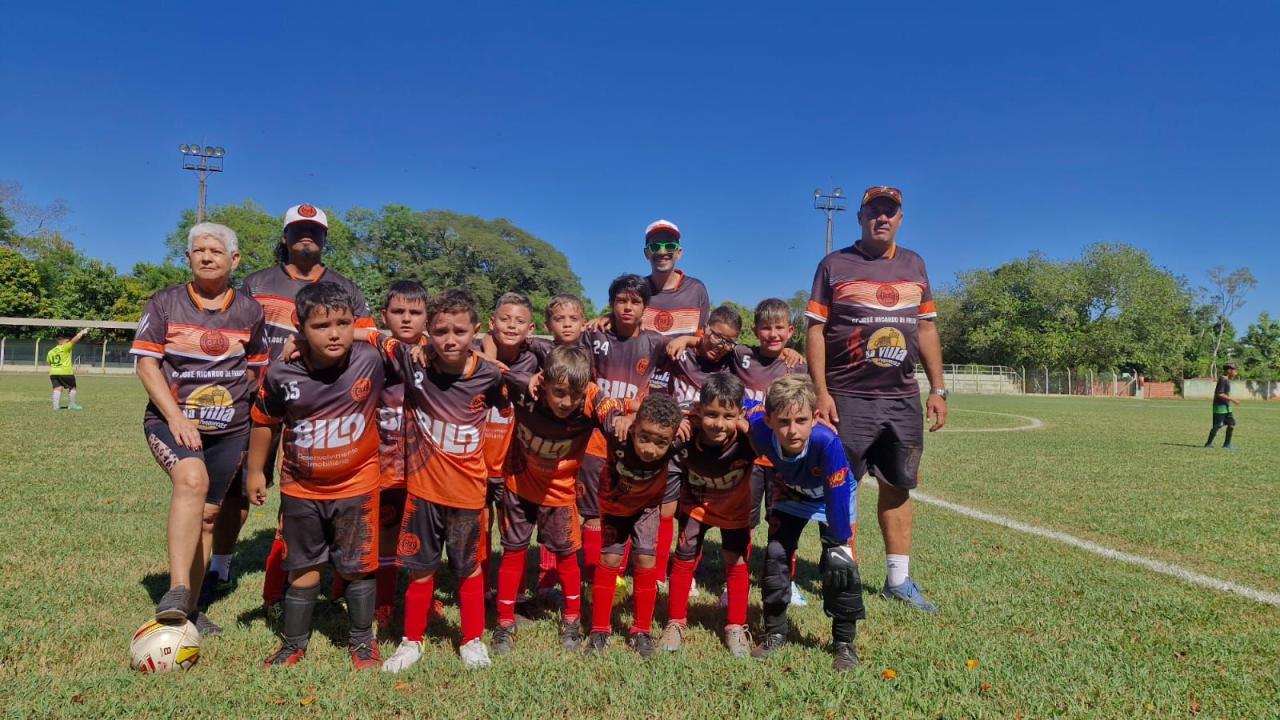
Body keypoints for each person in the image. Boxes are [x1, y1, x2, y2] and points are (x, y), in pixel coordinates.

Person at [806, 185, 946, 614]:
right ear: (860, 218)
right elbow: (815, 331)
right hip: (848, 397)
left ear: (900, 219)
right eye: (873, 211)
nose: (881, 218)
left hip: (902, 398)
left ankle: (898, 581)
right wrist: (822, 392)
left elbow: (925, 330)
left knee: (898, 487)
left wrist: (937, 389)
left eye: (890, 212)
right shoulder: (834, 265)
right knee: (841, 489)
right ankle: (842, 573)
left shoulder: (915, 264)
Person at [236, 203, 376, 617]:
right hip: (267, 396)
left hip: (325, 402)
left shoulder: (345, 286)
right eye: (298, 229)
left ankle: (329, 585)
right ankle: (269, 588)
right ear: (284, 236)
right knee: (264, 489)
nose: (306, 237)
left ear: (325, 238)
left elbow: (365, 334)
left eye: (314, 231)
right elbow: (240, 335)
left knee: (309, 494)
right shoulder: (257, 282)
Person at [130, 222, 268, 636]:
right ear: (188, 258)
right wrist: (175, 416)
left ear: (234, 260)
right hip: (172, 422)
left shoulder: (249, 310)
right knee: (191, 480)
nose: (207, 257)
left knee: (210, 515)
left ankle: (190, 609)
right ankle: (176, 589)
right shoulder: (165, 303)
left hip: (230, 430)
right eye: (200, 250)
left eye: (216, 251)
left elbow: (256, 369)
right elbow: (146, 363)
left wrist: (236, 404)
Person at [246, 282, 386, 669]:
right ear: (299, 326)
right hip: (301, 489)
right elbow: (265, 422)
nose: (336, 333)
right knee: (303, 568)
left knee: (358, 568)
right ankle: (294, 643)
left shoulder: (370, 359)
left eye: (344, 323)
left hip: (358, 485)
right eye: (322, 325)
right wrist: (255, 470)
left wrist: (357, 330)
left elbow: (406, 339)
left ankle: (362, 642)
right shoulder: (281, 372)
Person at [381, 289, 510, 671]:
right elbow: (370, 335)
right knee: (421, 568)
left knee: (468, 567)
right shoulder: (413, 361)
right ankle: (412, 641)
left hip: (469, 493)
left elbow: (523, 396)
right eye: (439, 332)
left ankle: (472, 639)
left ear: (476, 331)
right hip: (423, 491)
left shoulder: (490, 374)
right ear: (428, 332)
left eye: (459, 331)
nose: (449, 340)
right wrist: (298, 340)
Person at [490, 345, 631, 656]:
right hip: (518, 484)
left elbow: (612, 414)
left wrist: (621, 421)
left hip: (561, 492)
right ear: (543, 383)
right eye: (559, 393)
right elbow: (487, 367)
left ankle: (571, 621)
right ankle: (503, 623)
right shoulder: (525, 388)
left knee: (568, 556)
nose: (567, 402)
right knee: (513, 552)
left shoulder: (592, 397)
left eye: (575, 395)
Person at [745, 375, 862, 671]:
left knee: (841, 566)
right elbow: (744, 405)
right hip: (791, 491)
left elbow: (835, 496)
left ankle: (844, 644)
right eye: (784, 421)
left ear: (816, 417)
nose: (793, 431)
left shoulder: (827, 441)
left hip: (833, 495)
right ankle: (774, 632)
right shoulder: (760, 429)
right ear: (770, 420)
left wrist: (838, 542)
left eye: (801, 420)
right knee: (774, 556)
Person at [579, 275, 672, 586]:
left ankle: (622, 572)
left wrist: (692, 338)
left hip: (633, 442)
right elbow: (581, 377)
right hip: (596, 440)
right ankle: (595, 576)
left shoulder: (655, 343)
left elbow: (695, 349)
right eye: (621, 301)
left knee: (630, 506)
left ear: (645, 307)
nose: (627, 307)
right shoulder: (594, 337)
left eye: (635, 302)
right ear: (611, 304)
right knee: (593, 512)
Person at [660, 373, 758, 657]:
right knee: (684, 556)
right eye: (711, 414)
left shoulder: (750, 438)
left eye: (728, 416)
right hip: (696, 507)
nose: (718, 423)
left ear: (740, 414)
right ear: (699, 410)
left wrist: (752, 428)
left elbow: (772, 442)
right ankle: (675, 623)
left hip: (735, 511)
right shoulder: (687, 433)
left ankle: (736, 626)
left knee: (736, 561)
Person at [585, 392, 684, 658]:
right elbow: (594, 394)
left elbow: (707, 414)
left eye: (661, 442)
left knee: (645, 561)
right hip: (615, 507)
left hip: (647, 508)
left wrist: (690, 420)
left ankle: (641, 630)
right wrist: (625, 412)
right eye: (644, 437)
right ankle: (599, 630)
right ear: (635, 427)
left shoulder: (678, 438)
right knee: (610, 557)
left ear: (673, 438)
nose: (650, 449)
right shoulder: (615, 429)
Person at [372, 280, 430, 626]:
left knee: (421, 533)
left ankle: (422, 595)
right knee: (386, 530)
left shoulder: (439, 351)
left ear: (427, 317)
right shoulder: (369, 349)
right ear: (384, 315)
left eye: (415, 312)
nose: (406, 318)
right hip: (383, 462)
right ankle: (382, 600)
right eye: (398, 312)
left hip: (426, 465)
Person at [639, 219, 710, 338]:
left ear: (679, 253)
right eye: (655, 246)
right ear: (646, 253)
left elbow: (703, 339)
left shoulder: (696, 290)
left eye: (670, 246)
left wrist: (685, 341)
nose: (662, 252)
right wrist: (609, 318)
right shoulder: (637, 290)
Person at [47, 327, 90, 410]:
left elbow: (49, 362)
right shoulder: (65, 348)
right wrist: (83, 332)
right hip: (65, 372)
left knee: (57, 388)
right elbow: (75, 340)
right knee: (72, 387)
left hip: (53, 372)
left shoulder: (51, 351)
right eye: (66, 341)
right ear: (62, 341)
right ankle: (72, 405)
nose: (68, 342)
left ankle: (55, 406)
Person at [1205, 362, 1241, 448]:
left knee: (1231, 424)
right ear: (1229, 370)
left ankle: (1227, 444)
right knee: (1217, 425)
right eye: (1234, 370)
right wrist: (1233, 399)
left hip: (1226, 406)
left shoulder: (1226, 379)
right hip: (1220, 406)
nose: (1236, 372)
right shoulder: (1223, 379)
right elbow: (1219, 394)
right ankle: (1208, 444)